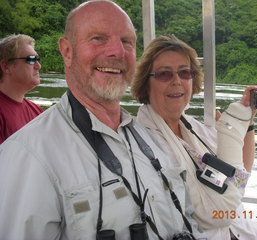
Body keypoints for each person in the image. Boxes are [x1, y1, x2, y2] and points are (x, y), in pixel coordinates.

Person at [0, 2, 205, 240]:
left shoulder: (152, 138)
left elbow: (189, 219)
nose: (117, 52)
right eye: (98, 38)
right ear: (67, 51)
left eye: (127, 42)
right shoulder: (27, 156)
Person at [132, 35, 257, 240]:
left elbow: (240, 175)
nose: (177, 81)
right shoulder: (140, 143)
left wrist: (246, 121)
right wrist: (231, 128)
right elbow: (212, 213)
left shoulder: (196, 129)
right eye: (164, 74)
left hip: (243, 229)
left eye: (184, 72)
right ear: (146, 83)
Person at [0, 34, 43, 144]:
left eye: (37, 59)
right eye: (31, 60)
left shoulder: (37, 112)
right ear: (6, 66)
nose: (38, 66)